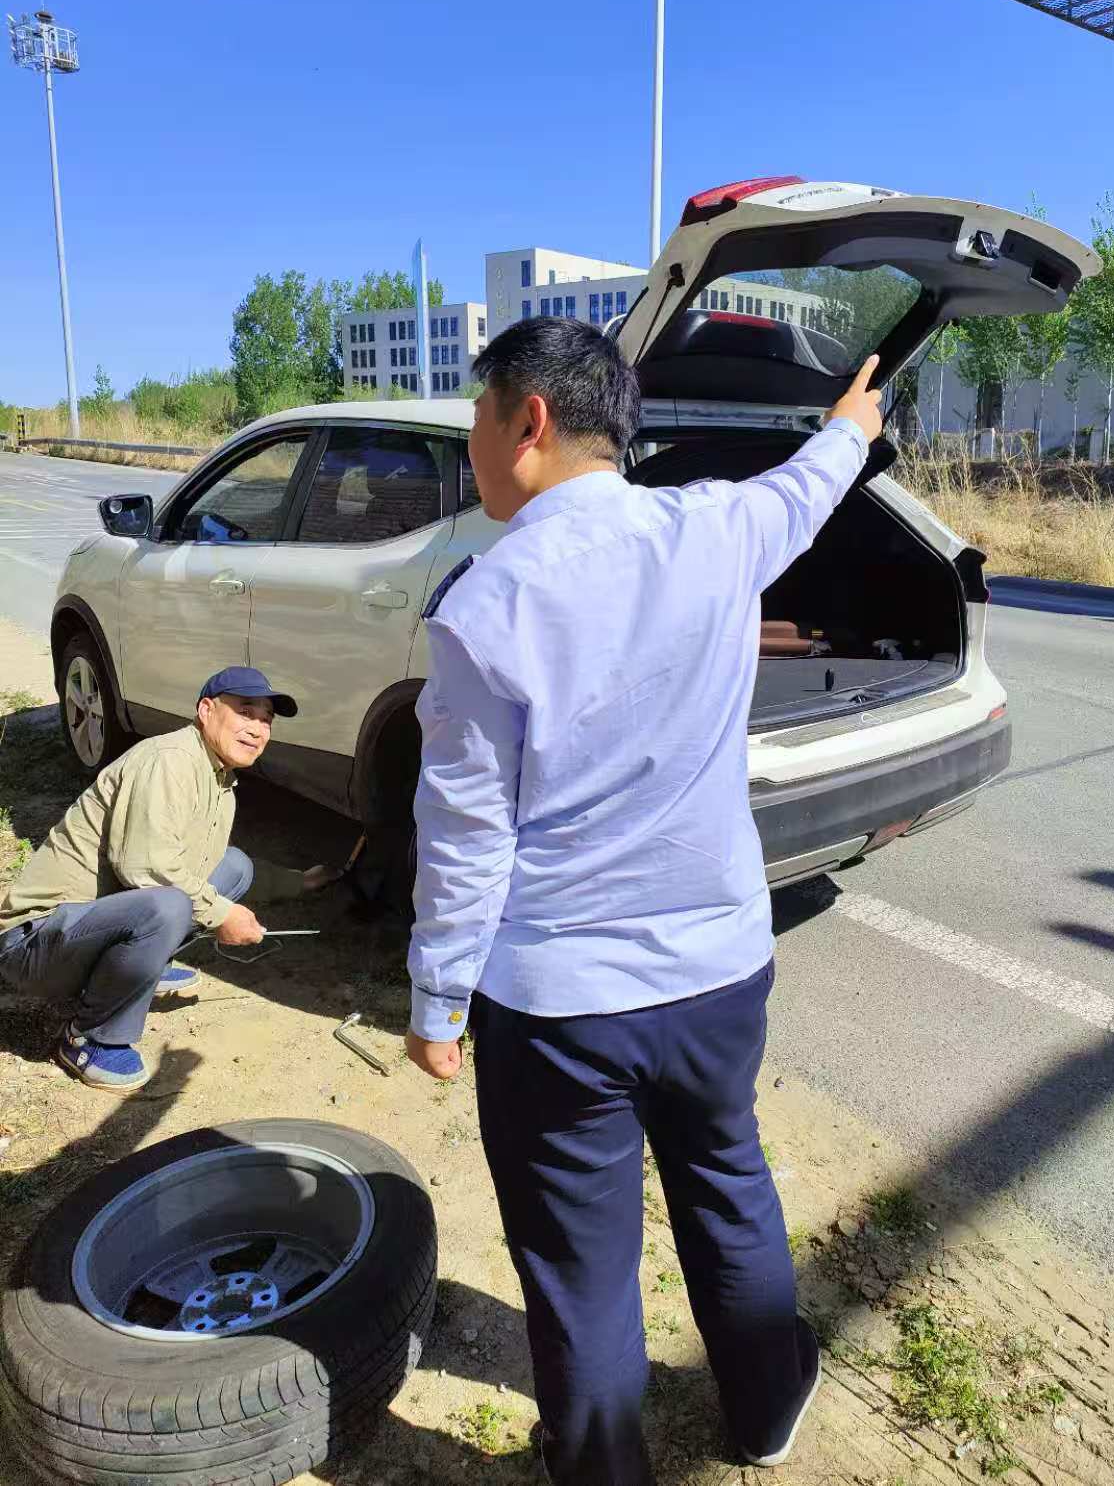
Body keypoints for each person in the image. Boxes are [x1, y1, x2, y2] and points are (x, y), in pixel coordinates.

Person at [405, 314, 883, 1485]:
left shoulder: (485, 604)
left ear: (527, 420)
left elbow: (466, 836)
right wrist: (848, 426)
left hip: (562, 1007)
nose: (471, 446)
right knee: (727, 1184)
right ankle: (765, 1408)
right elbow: (807, 490)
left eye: (476, 420)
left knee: (581, 1269)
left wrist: (437, 1000)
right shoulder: (713, 528)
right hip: (718, 974)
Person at [0, 666, 338, 1093]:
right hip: (34, 943)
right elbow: (145, 868)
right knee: (169, 904)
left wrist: (298, 882)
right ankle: (90, 1037)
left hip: (86, 926)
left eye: (266, 719)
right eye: (245, 712)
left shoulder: (217, 776)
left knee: (233, 867)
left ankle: (134, 971)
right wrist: (222, 915)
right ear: (206, 710)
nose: (257, 729)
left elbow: (206, 863)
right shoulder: (169, 760)